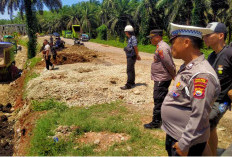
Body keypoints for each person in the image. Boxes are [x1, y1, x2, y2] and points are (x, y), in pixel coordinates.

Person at [161, 23, 221, 156]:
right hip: (176, 135)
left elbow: (200, 114)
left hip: (186, 142)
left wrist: (184, 144)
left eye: (173, 42)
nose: (171, 47)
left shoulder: (201, 75)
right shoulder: (188, 67)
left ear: (186, 42)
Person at [203, 22, 232, 156]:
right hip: (210, 98)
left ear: (221, 35)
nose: (205, 37)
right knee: (209, 125)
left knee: (208, 122)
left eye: (208, 34)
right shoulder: (212, 56)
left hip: (223, 101)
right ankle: (212, 153)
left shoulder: (229, 53)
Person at [144, 30, 176, 129]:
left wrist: (174, 75)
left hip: (162, 78)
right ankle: (163, 119)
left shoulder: (162, 47)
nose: (150, 40)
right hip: (160, 77)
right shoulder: (161, 46)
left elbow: (168, 63)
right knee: (161, 98)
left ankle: (156, 122)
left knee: (158, 99)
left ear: (157, 37)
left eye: (151, 38)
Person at [120, 25, 141, 90]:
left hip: (132, 56)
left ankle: (128, 84)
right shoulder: (130, 38)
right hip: (130, 56)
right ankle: (132, 82)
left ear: (128, 32)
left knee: (129, 70)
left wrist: (137, 55)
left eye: (125, 32)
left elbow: (135, 47)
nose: (125, 33)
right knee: (131, 69)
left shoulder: (133, 38)